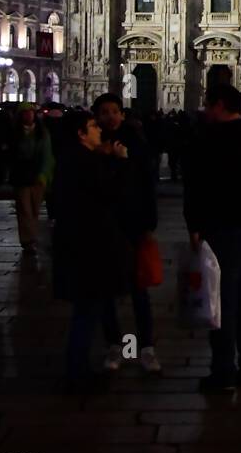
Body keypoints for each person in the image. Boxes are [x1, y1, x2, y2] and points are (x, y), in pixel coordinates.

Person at [182, 84, 241, 390]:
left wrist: (195, 226)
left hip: (223, 230)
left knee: (221, 301)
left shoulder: (207, 139)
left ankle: (223, 371)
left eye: (209, 105)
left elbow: (196, 186)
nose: (206, 110)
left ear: (220, 106)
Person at [52, 110, 133, 391]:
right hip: (89, 249)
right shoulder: (83, 162)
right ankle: (77, 374)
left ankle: (78, 369)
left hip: (77, 245)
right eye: (93, 126)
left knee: (85, 311)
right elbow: (110, 194)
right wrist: (120, 163)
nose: (99, 130)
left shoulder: (73, 159)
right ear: (81, 134)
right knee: (86, 312)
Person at [93, 93, 161, 374]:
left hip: (132, 225)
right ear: (97, 116)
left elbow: (146, 183)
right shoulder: (91, 145)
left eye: (114, 111)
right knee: (107, 291)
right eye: (104, 112)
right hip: (104, 227)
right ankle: (114, 346)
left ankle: (145, 348)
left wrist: (148, 224)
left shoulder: (136, 141)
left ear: (122, 114)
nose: (110, 116)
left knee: (138, 290)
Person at [8, 104, 54, 253]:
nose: (28, 115)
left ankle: (31, 237)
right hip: (21, 176)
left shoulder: (42, 133)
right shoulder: (15, 133)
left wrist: (44, 175)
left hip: (37, 176)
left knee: (34, 209)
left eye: (30, 113)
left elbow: (47, 155)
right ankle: (28, 240)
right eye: (25, 113)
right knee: (24, 209)